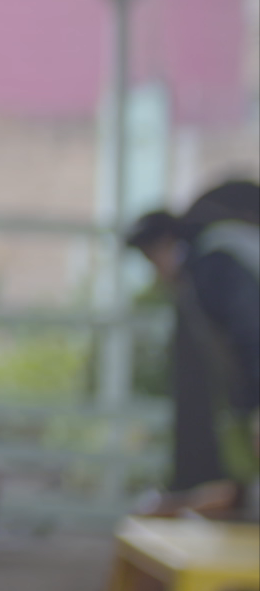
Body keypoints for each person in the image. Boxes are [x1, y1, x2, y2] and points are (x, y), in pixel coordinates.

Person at [128, 180, 260, 520]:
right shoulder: (216, 257)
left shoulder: (215, 264)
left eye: (151, 259)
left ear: (165, 244)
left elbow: (252, 332)